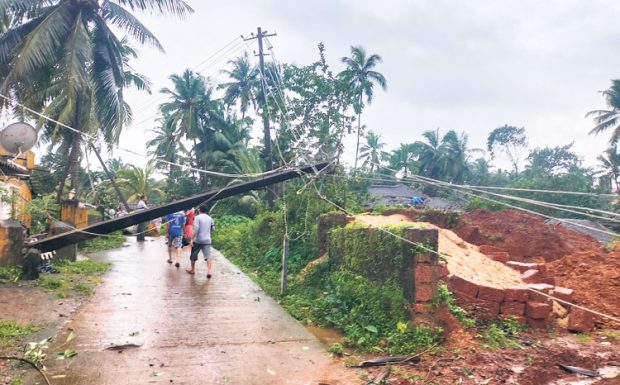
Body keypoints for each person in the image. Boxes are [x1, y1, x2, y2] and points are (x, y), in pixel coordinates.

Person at [187, 205, 215, 278]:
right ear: (206, 210)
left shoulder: (197, 217)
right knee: (208, 257)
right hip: (207, 240)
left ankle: (192, 270)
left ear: (199, 210)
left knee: (193, 255)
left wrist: (191, 239)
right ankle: (209, 271)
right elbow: (213, 229)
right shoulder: (210, 218)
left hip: (198, 240)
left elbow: (196, 230)